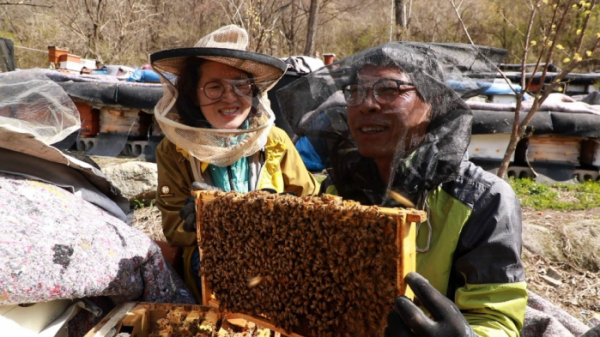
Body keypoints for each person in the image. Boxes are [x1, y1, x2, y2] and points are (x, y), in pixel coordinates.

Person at [277, 43, 528, 336]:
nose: (367, 104)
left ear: (433, 101)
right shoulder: (336, 188)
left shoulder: (485, 199)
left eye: (389, 89)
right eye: (356, 91)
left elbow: (496, 319)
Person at [150, 25, 319, 303]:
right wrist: (194, 220)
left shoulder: (275, 140)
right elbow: (173, 229)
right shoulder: (173, 151)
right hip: (209, 264)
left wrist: (288, 210)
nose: (230, 97)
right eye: (214, 87)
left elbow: (313, 202)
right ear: (194, 94)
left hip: (280, 263)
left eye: (241, 85)